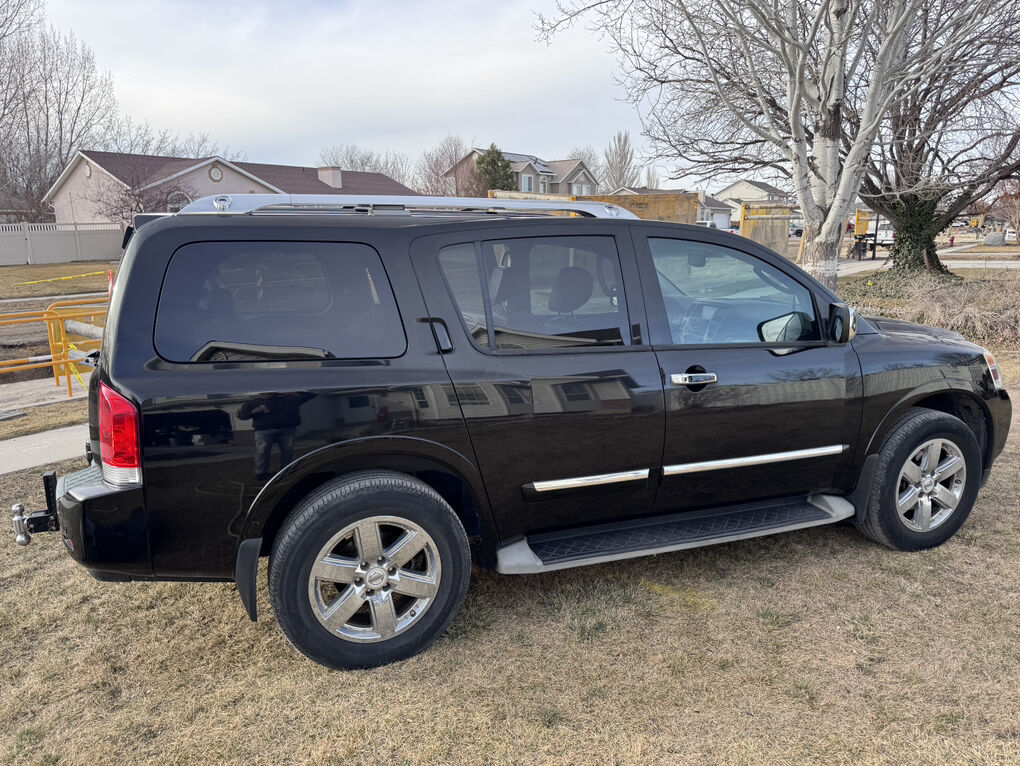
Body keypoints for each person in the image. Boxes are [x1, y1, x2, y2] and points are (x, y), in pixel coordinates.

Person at [238, 392, 311, 481]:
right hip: (263, 430)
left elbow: (312, 394)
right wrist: (256, 411)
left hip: (287, 429)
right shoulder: (252, 402)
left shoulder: (287, 399)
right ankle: (261, 473)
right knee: (262, 451)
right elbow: (242, 416)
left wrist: (291, 392)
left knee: (287, 450)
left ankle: (285, 470)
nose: (267, 392)